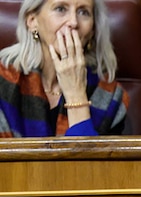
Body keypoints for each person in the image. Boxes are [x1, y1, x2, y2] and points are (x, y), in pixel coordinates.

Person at [0, 0, 128, 137]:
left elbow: (90, 157)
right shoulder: (4, 80)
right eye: (60, 9)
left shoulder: (111, 97)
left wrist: (76, 94)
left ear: (92, 31)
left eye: (83, 12)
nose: (73, 22)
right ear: (32, 21)